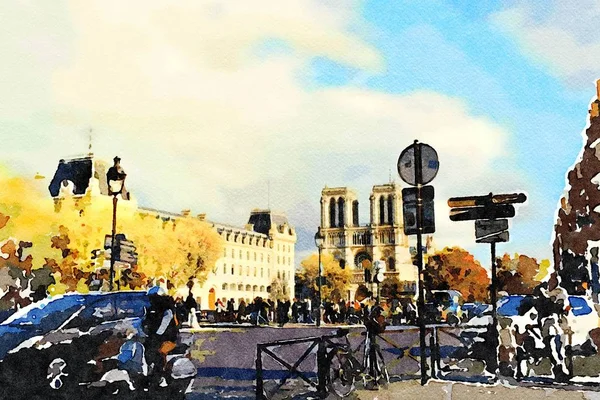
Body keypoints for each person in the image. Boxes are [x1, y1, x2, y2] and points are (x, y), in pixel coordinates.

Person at [143, 287, 180, 383]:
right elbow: (145, 322)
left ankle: (159, 374)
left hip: (167, 338)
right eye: (150, 298)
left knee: (158, 352)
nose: (151, 300)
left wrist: (156, 335)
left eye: (153, 297)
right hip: (155, 336)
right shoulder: (151, 309)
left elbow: (164, 325)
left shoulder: (167, 310)